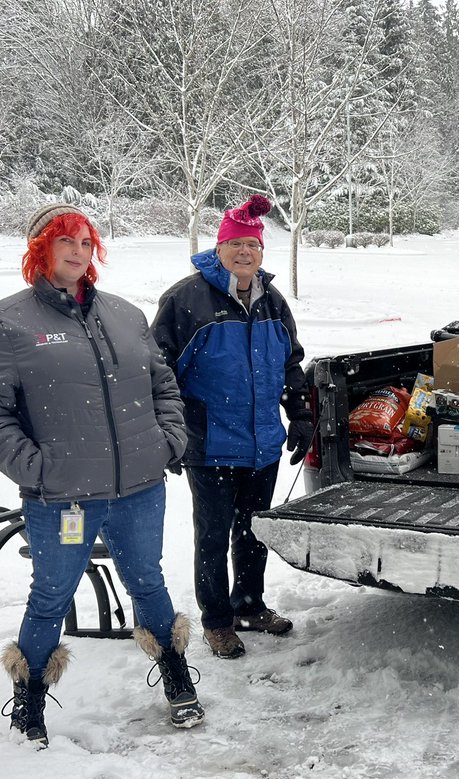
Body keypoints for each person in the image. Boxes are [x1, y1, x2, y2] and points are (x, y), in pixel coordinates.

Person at [0, 203, 205, 746]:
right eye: (64, 241)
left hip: (139, 487)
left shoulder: (124, 314)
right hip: (63, 498)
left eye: (85, 241)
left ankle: (175, 674)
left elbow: (163, 384)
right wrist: (38, 469)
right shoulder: (6, 323)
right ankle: (29, 703)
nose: (78, 251)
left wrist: (168, 441)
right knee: (51, 595)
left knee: (147, 581)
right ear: (40, 249)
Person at [153, 195, 310, 660]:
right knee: (213, 536)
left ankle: (249, 606)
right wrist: (168, 435)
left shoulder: (272, 301)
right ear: (218, 248)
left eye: (253, 245)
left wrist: (300, 413)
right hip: (210, 444)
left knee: (253, 531)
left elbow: (290, 362)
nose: (245, 252)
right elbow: (158, 373)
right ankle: (217, 621)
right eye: (236, 244)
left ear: (262, 251)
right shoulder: (186, 300)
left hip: (262, 444)